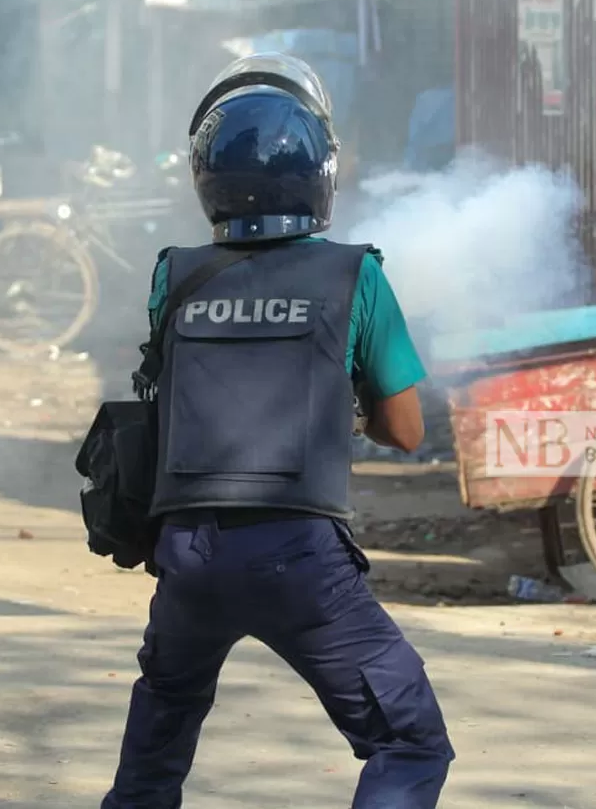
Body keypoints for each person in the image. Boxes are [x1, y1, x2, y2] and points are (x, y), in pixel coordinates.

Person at [101, 53, 454, 808]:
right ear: (320, 174)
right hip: (299, 560)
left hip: (187, 554)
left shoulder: (177, 273)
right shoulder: (355, 274)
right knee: (409, 740)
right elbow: (407, 430)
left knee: (155, 755)